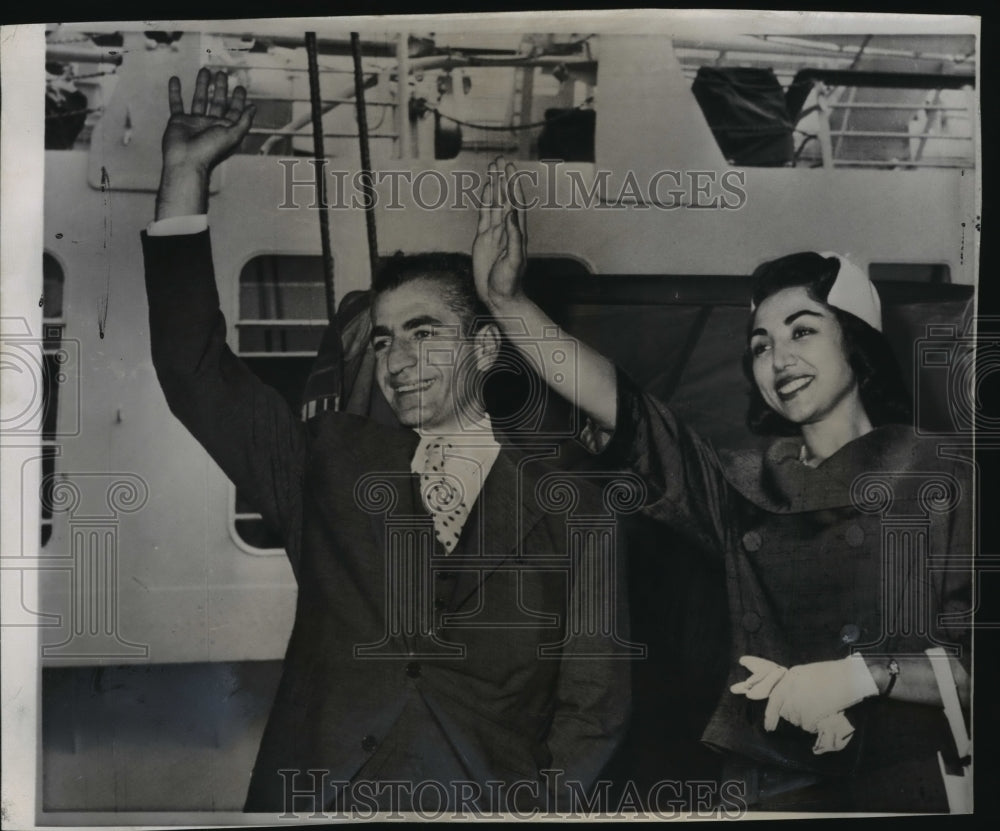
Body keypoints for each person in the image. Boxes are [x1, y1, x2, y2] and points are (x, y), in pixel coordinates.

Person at [142, 69, 631, 815]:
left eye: (423, 333)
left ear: (488, 349)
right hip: (319, 795)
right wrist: (184, 180)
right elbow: (195, 370)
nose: (396, 359)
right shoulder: (330, 460)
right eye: (382, 340)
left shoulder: (570, 499)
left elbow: (594, 699)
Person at [472, 160, 972, 813]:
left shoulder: (940, 472)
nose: (778, 359)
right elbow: (626, 410)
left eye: (802, 331)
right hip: (766, 782)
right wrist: (509, 303)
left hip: (905, 781)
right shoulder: (742, 482)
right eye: (760, 344)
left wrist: (862, 676)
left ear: (857, 342)